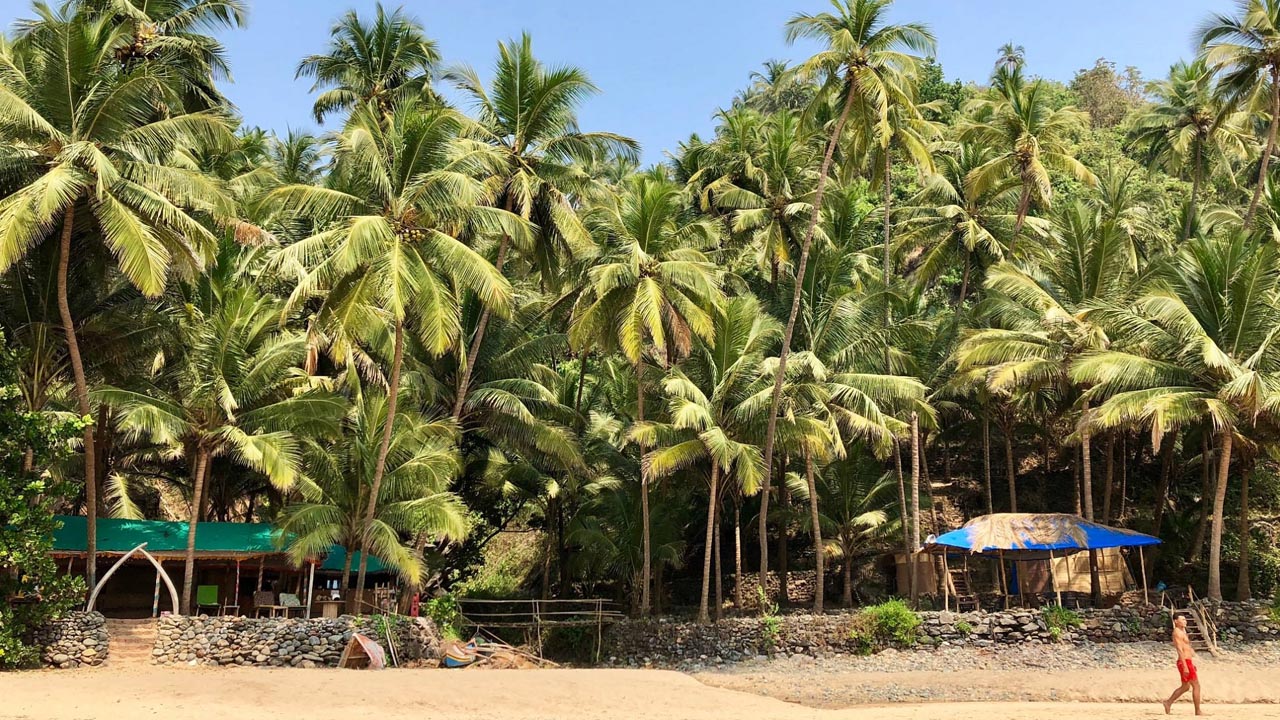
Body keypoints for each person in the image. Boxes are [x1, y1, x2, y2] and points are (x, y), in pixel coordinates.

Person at [1163, 615, 1201, 715]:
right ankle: (1198, 711)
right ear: (1176, 621)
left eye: (1185, 619)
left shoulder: (1183, 631)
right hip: (1184, 661)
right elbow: (1180, 650)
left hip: (1188, 661)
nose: (1185, 621)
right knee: (1196, 685)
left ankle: (1168, 703)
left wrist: (1192, 662)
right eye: (1182, 619)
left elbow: (1187, 647)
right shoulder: (1177, 633)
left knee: (1186, 687)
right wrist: (1185, 666)